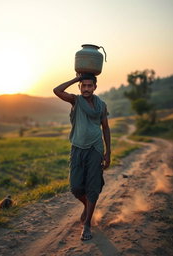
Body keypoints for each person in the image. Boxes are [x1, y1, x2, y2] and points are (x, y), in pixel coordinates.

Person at [53, 73, 111, 241]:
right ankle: (87, 205)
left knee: (92, 186)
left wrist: (108, 152)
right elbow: (57, 90)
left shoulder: (101, 105)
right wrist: (76, 78)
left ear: (95, 87)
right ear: (79, 87)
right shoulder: (75, 101)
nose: (86, 89)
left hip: (95, 149)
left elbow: (105, 128)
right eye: (83, 85)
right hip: (78, 149)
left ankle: (87, 224)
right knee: (76, 187)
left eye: (89, 86)